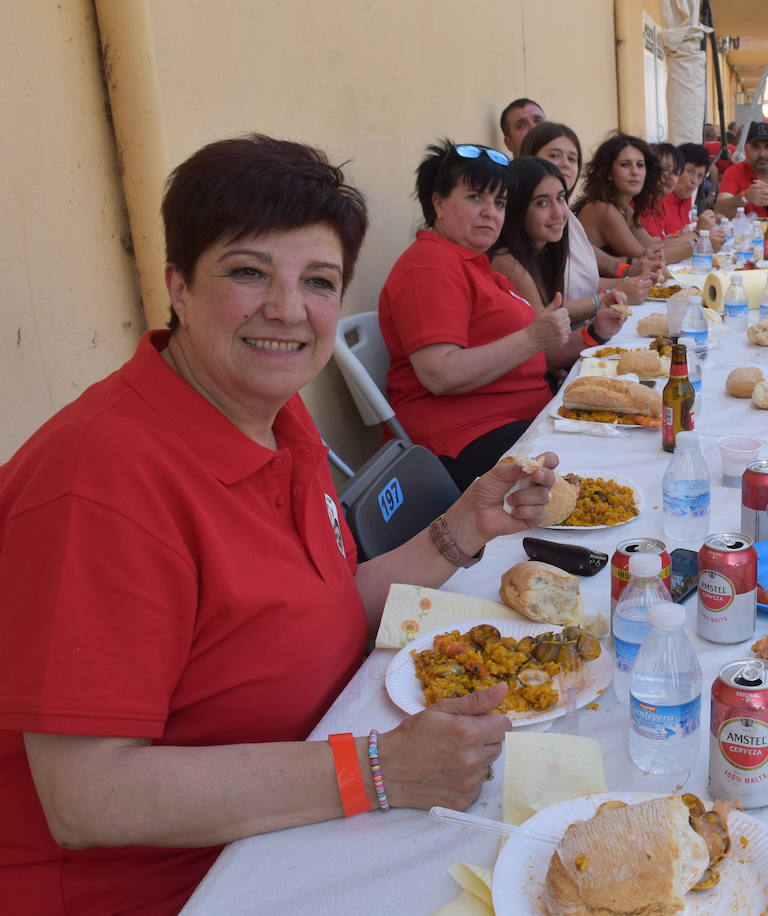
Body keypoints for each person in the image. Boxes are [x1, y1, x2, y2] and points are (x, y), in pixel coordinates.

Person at [0, 134, 563, 915]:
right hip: (185, 886)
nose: (288, 310)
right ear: (179, 286)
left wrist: (464, 527)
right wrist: (377, 769)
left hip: (298, 816)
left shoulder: (274, 418)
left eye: (319, 281)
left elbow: (325, 609)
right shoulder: (99, 480)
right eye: (247, 272)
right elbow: (87, 796)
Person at [380, 140, 624, 489]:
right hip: (467, 436)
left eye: (499, 203)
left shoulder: (476, 264)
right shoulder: (429, 266)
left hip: (525, 418)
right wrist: (531, 337)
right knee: (615, 468)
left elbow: (533, 356)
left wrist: (595, 333)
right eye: (475, 197)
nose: (490, 212)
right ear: (438, 202)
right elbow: (440, 373)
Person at [519, 122, 656, 306]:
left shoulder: (567, 215)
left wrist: (627, 276)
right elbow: (548, 308)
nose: (565, 164)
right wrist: (694, 239)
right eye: (554, 156)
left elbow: (587, 281)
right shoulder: (537, 221)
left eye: (572, 159)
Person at [489, 157, 629, 326]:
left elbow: (555, 304)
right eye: (542, 203)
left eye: (561, 198)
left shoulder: (548, 246)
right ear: (517, 209)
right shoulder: (506, 261)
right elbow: (545, 326)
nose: (558, 212)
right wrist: (604, 300)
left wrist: (622, 284)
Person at [573, 133, 672, 265]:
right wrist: (696, 241)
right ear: (608, 172)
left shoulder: (624, 208)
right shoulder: (602, 208)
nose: (635, 171)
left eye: (640, 165)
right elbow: (647, 257)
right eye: (625, 165)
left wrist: (697, 236)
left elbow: (654, 245)